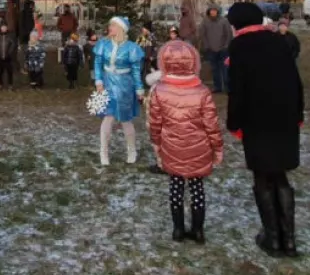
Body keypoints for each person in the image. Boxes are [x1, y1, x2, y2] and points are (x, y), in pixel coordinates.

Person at [226, 2, 304, 259]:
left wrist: (234, 122)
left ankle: (272, 237)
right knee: (280, 175)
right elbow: (295, 80)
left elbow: (237, 88)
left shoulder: (240, 46)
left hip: (257, 118)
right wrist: (298, 114)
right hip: (285, 117)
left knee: (262, 176)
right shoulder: (278, 41)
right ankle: (288, 239)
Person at [148, 40, 223, 243]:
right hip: (198, 148)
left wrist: (156, 144)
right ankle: (197, 230)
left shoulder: (159, 91)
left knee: (176, 186)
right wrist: (217, 148)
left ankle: (178, 229)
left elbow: (154, 122)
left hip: (172, 147)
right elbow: (212, 125)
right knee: (197, 187)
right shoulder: (202, 92)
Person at [94, 16, 146, 166]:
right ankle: (103, 152)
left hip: (125, 87)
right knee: (108, 118)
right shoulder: (103, 44)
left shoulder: (132, 48)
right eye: (110, 25)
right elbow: (97, 64)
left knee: (125, 120)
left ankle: (131, 150)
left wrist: (139, 88)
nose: (110, 28)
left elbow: (136, 71)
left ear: (121, 29)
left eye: (113, 25)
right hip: (107, 84)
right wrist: (98, 81)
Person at [197, 7, 233, 94]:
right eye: (211, 11)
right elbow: (202, 34)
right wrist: (207, 45)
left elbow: (229, 34)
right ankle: (218, 87)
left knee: (225, 69)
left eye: (215, 10)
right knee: (214, 69)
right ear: (209, 11)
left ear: (218, 11)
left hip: (223, 49)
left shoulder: (224, 21)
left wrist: (226, 45)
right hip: (211, 49)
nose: (213, 12)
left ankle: (227, 87)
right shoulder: (205, 21)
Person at [0, 22, 17, 90]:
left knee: (9, 71)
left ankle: (10, 84)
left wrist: (9, 53)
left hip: (8, 58)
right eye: (2, 27)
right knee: (0, 72)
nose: (4, 28)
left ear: (7, 28)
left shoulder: (10, 35)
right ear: (0, 28)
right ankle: (0, 84)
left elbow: (13, 45)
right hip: (0, 57)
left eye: (5, 27)